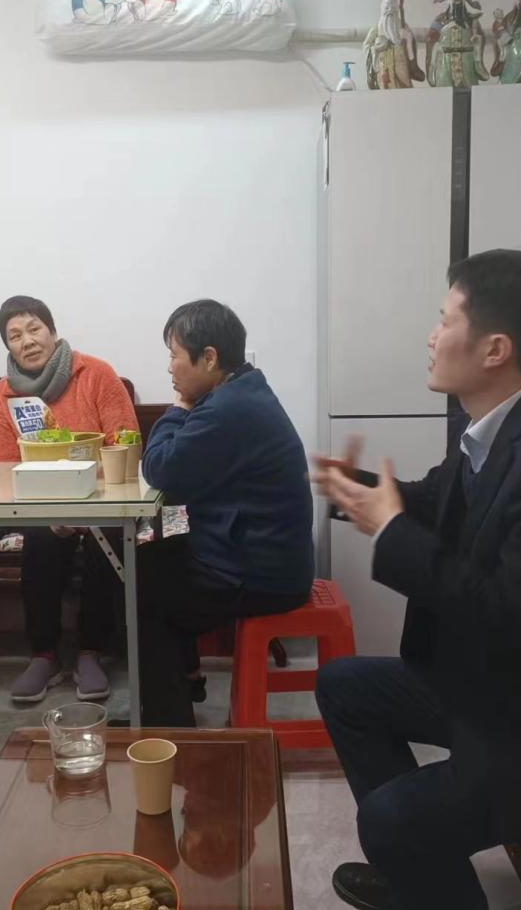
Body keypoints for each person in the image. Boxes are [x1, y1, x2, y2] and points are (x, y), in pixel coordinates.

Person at [311, 250, 521, 910]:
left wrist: (390, 529)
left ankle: (411, 858)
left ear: (494, 348)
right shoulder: (498, 424)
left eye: (444, 320)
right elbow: (434, 500)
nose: (430, 336)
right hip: (504, 691)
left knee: (388, 820)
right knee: (344, 687)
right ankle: (419, 874)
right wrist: (353, 490)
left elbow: (506, 610)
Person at [135, 299, 313, 727]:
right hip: (262, 556)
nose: (170, 368)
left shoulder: (227, 409)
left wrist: (177, 408)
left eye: (174, 355)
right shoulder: (241, 391)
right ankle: (186, 682)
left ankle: (171, 732)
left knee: (143, 596)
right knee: (151, 551)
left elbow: (159, 468)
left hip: (262, 576)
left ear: (209, 357)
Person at [0, 295, 138, 704]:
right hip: (39, 504)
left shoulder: (96, 374)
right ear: (8, 345)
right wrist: (52, 511)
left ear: (52, 331)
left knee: (105, 534)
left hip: (102, 497)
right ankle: (44, 654)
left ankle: (91, 651)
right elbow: (5, 468)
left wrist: (86, 503)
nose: (27, 341)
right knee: (41, 538)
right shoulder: (1, 396)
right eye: (15, 335)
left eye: (34, 328)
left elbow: (125, 444)